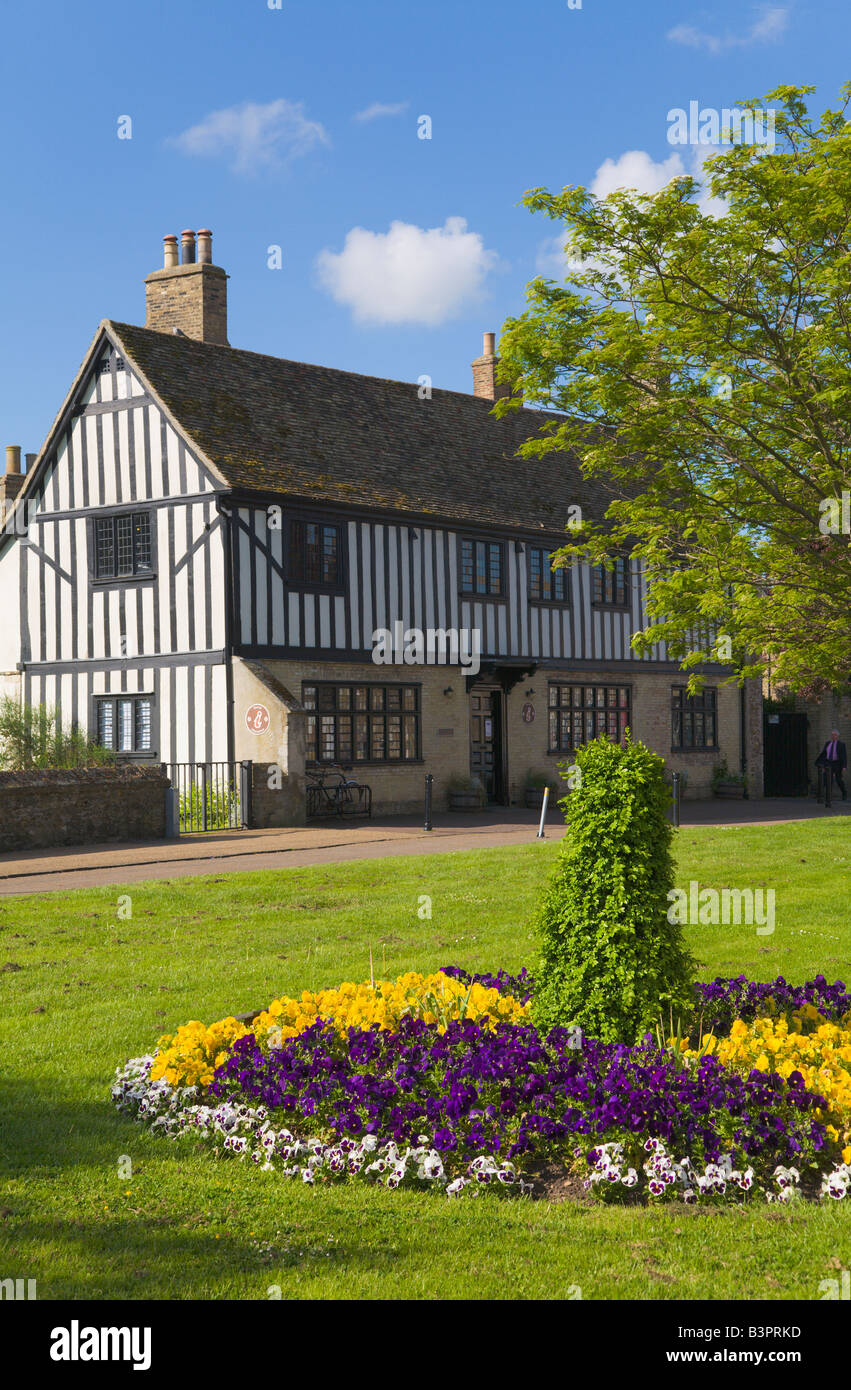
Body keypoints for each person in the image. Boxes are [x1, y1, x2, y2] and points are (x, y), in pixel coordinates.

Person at [816, 728, 848, 801]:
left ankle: (844, 793)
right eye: (832, 735)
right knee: (826, 779)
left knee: (838, 779)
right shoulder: (828, 743)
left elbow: (844, 756)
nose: (833, 736)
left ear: (837, 736)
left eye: (835, 735)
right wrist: (822, 762)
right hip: (829, 763)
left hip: (837, 763)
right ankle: (827, 796)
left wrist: (844, 766)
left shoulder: (841, 744)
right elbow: (824, 753)